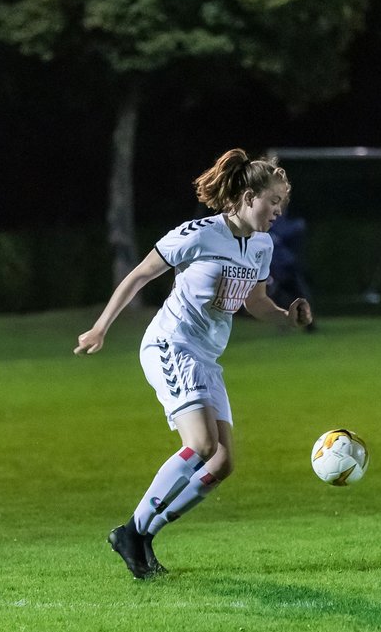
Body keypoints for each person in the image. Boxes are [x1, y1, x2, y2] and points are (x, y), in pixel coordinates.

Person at [75, 149, 313, 579]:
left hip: (206, 356)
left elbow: (256, 302)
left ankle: (141, 535)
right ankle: (132, 532)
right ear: (246, 195)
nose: (278, 211)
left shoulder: (261, 244)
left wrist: (285, 317)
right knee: (202, 445)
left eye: (281, 203)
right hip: (172, 343)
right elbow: (139, 274)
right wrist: (100, 328)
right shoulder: (199, 234)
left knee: (222, 464)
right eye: (272, 201)